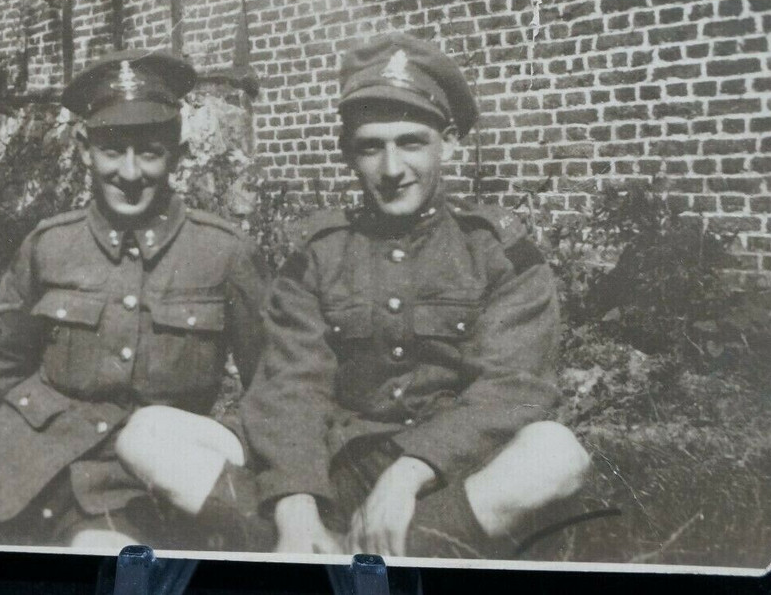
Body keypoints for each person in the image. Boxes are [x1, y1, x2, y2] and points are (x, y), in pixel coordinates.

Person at [0, 49, 268, 551]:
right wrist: (16, 443)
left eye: (149, 152)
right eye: (112, 150)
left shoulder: (222, 254)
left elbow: (272, 389)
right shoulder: (49, 246)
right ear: (85, 150)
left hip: (133, 487)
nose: (129, 172)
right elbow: (1, 368)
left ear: (177, 153)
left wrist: (201, 457)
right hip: (19, 462)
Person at [240, 33, 591, 560]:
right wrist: (296, 500)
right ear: (348, 153)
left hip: (451, 473)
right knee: (163, 439)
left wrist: (410, 471)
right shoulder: (318, 253)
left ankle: (363, 559)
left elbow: (512, 389)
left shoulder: (496, 252)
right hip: (341, 466)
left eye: (410, 142)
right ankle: (322, 544)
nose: (391, 169)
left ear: (448, 144)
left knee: (556, 452)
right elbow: (289, 386)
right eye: (371, 147)